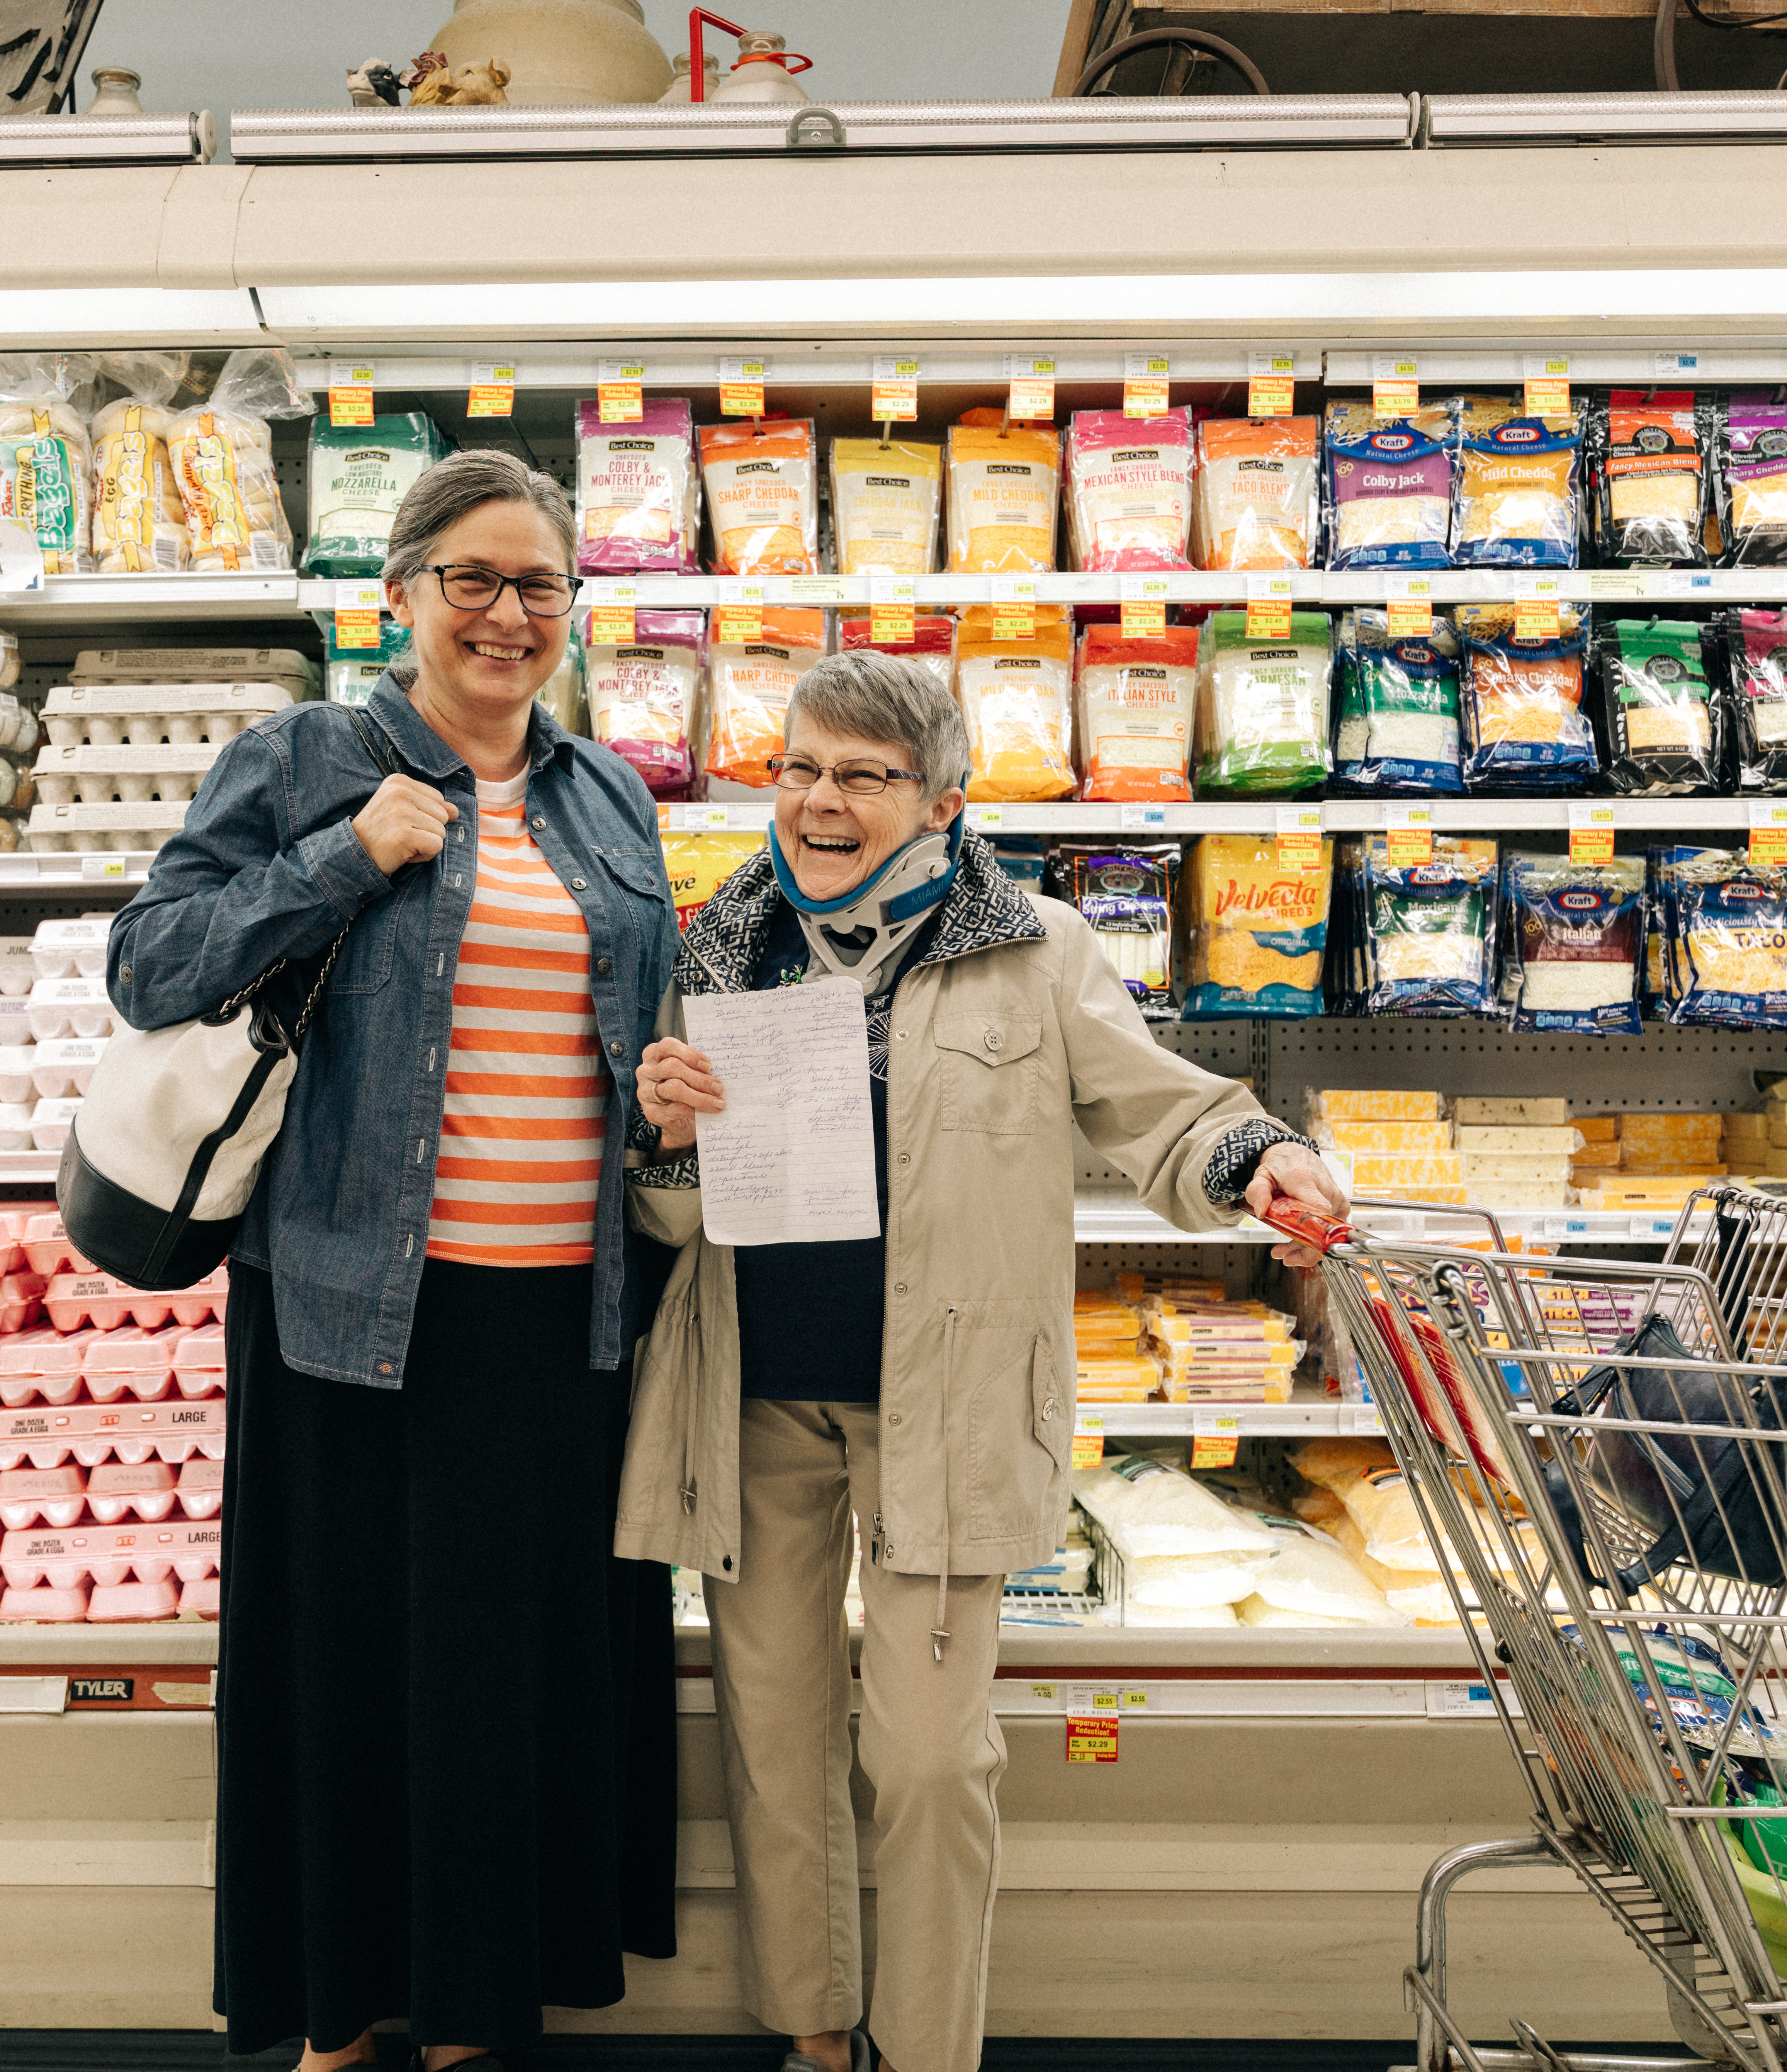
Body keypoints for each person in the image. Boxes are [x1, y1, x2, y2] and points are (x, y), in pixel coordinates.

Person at [618, 650, 1347, 2072]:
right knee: (776, 1746)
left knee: (934, 1758)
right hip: (754, 1397)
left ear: (945, 799)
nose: (823, 804)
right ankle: (818, 2034)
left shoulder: (1036, 947)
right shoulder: (720, 942)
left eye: (865, 778)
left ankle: (928, 2052)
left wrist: (1261, 1160)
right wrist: (665, 1137)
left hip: (942, 1410)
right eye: (801, 769)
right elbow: (665, 1210)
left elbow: (1162, 1113)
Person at [106, 449, 682, 2072]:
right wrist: (344, 856)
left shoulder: (608, 793)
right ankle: (338, 2009)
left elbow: (621, 1020)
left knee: (506, 1674)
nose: (509, 616)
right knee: (347, 1664)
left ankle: (473, 2012)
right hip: (351, 1301)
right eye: (474, 581)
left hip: (561, 1314)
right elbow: (148, 963)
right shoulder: (302, 759)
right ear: (402, 594)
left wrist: (668, 1096)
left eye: (541, 587)